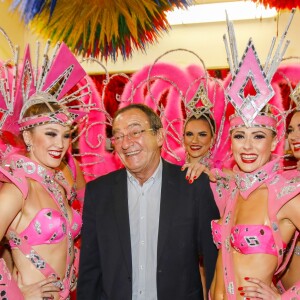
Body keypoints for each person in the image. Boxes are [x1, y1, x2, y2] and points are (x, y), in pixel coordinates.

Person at [77, 103, 220, 300]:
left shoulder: (192, 186)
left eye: (135, 132)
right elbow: (90, 270)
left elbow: (215, 260)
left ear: (159, 136)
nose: (126, 143)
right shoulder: (99, 193)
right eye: (118, 136)